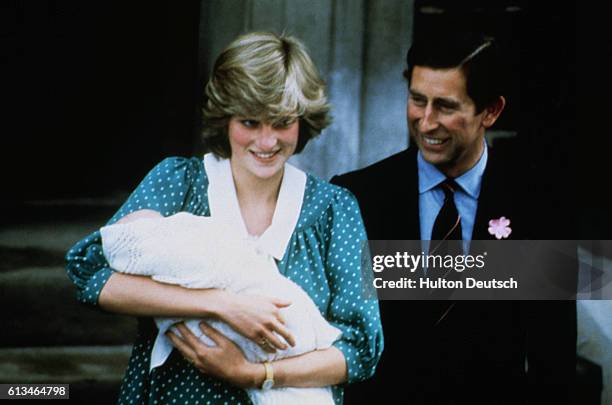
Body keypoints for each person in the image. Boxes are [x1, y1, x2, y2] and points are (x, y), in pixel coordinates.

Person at [65, 31, 383, 404]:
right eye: (250, 122)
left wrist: (254, 374)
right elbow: (90, 274)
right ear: (225, 119)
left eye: (281, 122)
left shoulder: (335, 209)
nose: (266, 142)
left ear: (303, 121)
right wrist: (222, 304)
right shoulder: (179, 182)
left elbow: (362, 348)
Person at [331, 32, 576, 404]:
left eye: (445, 106)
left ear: (490, 111)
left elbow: (552, 359)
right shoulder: (357, 198)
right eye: (417, 100)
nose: (426, 122)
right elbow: (338, 336)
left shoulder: (538, 207)